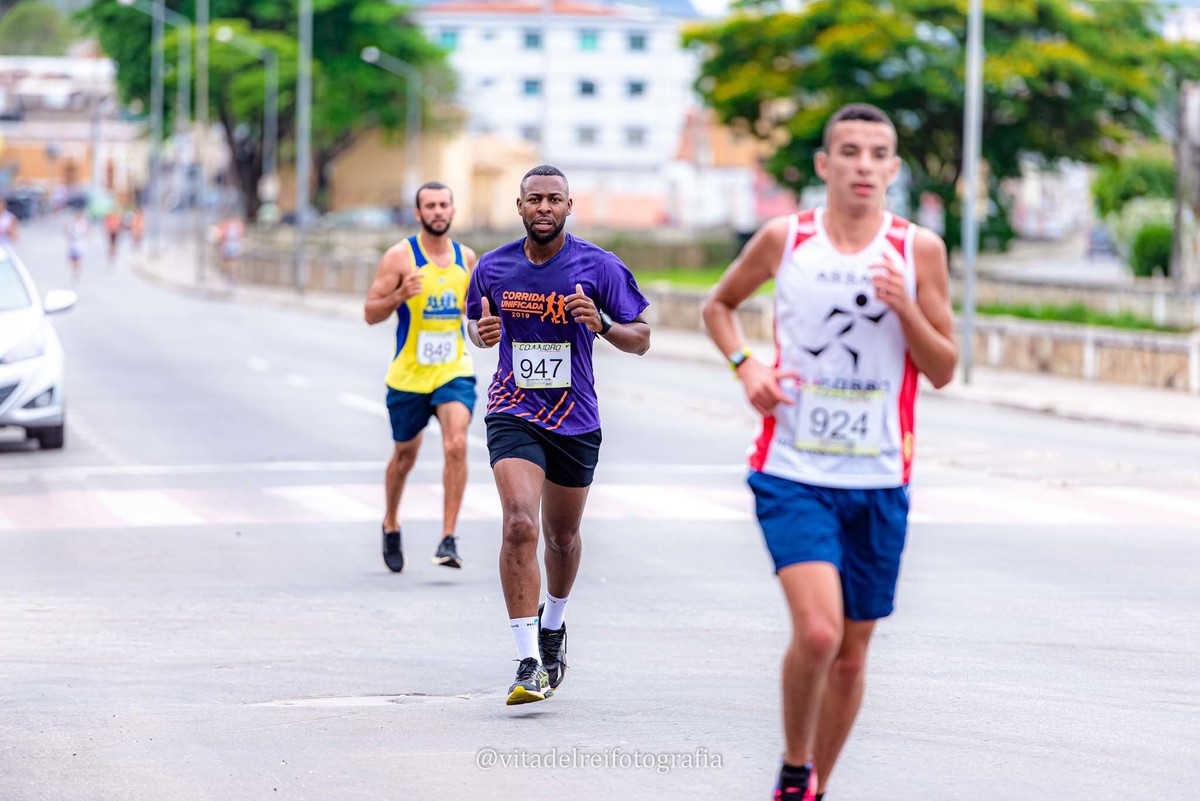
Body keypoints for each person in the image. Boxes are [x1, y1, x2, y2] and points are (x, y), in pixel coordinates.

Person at [700, 104, 957, 801]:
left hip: (879, 477)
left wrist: (905, 308)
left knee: (850, 655)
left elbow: (943, 368)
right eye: (849, 151)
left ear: (893, 168)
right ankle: (794, 765)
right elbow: (718, 306)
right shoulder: (786, 238)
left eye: (877, 153)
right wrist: (747, 367)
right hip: (792, 470)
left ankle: (813, 789)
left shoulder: (918, 250)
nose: (863, 165)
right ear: (824, 164)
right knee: (819, 633)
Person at [466, 165, 651, 706]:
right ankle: (528, 662)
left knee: (561, 538)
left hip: (575, 420)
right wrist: (481, 333)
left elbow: (641, 338)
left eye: (554, 199)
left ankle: (554, 624)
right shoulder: (492, 267)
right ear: (519, 206)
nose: (543, 208)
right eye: (534, 199)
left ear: (570, 207)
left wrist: (603, 324)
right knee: (519, 523)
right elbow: (474, 325)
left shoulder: (599, 266)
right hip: (513, 409)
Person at [364, 181, 479, 574]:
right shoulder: (400, 257)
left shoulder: (466, 259)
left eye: (443, 204)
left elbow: (476, 314)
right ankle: (391, 522)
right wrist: (399, 295)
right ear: (418, 213)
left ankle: (448, 537)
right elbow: (370, 313)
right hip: (409, 376)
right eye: (430, 206)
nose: (437, 211)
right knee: (405, 456)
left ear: (453, 210)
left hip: (453, 370)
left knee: (457, 444)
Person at [215, 212, 245, 283]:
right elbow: (241, 234)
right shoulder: (238, 224)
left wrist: (219, 241)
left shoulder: (225, 223)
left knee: (227, 260)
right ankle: (232, 276)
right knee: (233, 260)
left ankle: (229, 275)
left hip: (227, 244)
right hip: (234, 244)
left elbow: (221, 234)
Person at [65, 208, 89, 281]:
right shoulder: (71, 223)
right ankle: (74, 271)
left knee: (79, 258)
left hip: (79, 243)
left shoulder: (83, 223)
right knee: (73, 259)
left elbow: (86, 232)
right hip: (73, 243)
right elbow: (67, 231)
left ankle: (77, 272)